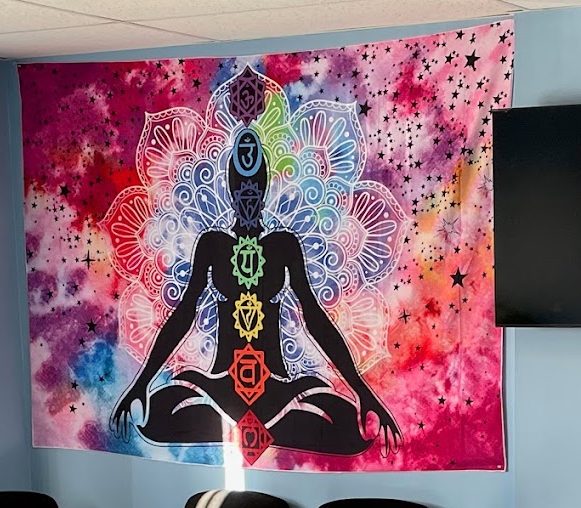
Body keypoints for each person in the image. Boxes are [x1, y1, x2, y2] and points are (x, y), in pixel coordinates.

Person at [112, 120, 400, 460]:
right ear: (231, 190)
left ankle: (243, 430)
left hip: (277, 387)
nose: (248, 196)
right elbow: (184, 314)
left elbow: (316, 320)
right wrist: (142, 381)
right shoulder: (211, 243)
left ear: (264, 190)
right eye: (241, 188)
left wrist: (363, 391)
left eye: (255, 188)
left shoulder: (284, 245)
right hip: (221, 386)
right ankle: (264, 430)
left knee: (337, 418)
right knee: (163, 409)